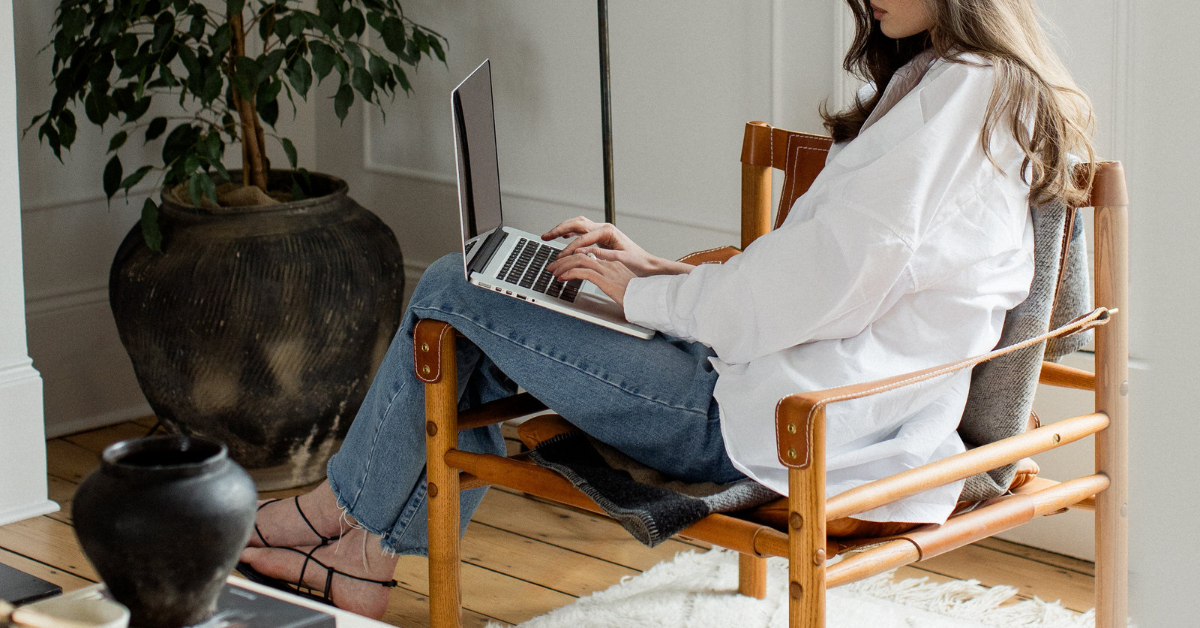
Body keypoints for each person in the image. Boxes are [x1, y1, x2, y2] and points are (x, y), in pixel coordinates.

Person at [238, 0, 1096, 618]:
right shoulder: (965, 85)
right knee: (489, 298)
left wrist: (647, 295)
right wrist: (647, 270)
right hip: (774, 381)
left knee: (456, 290)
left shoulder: (960, 93)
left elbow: (823, 284)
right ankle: (361, 549)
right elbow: (825, 276)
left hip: (772, 419)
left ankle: (344, 526)